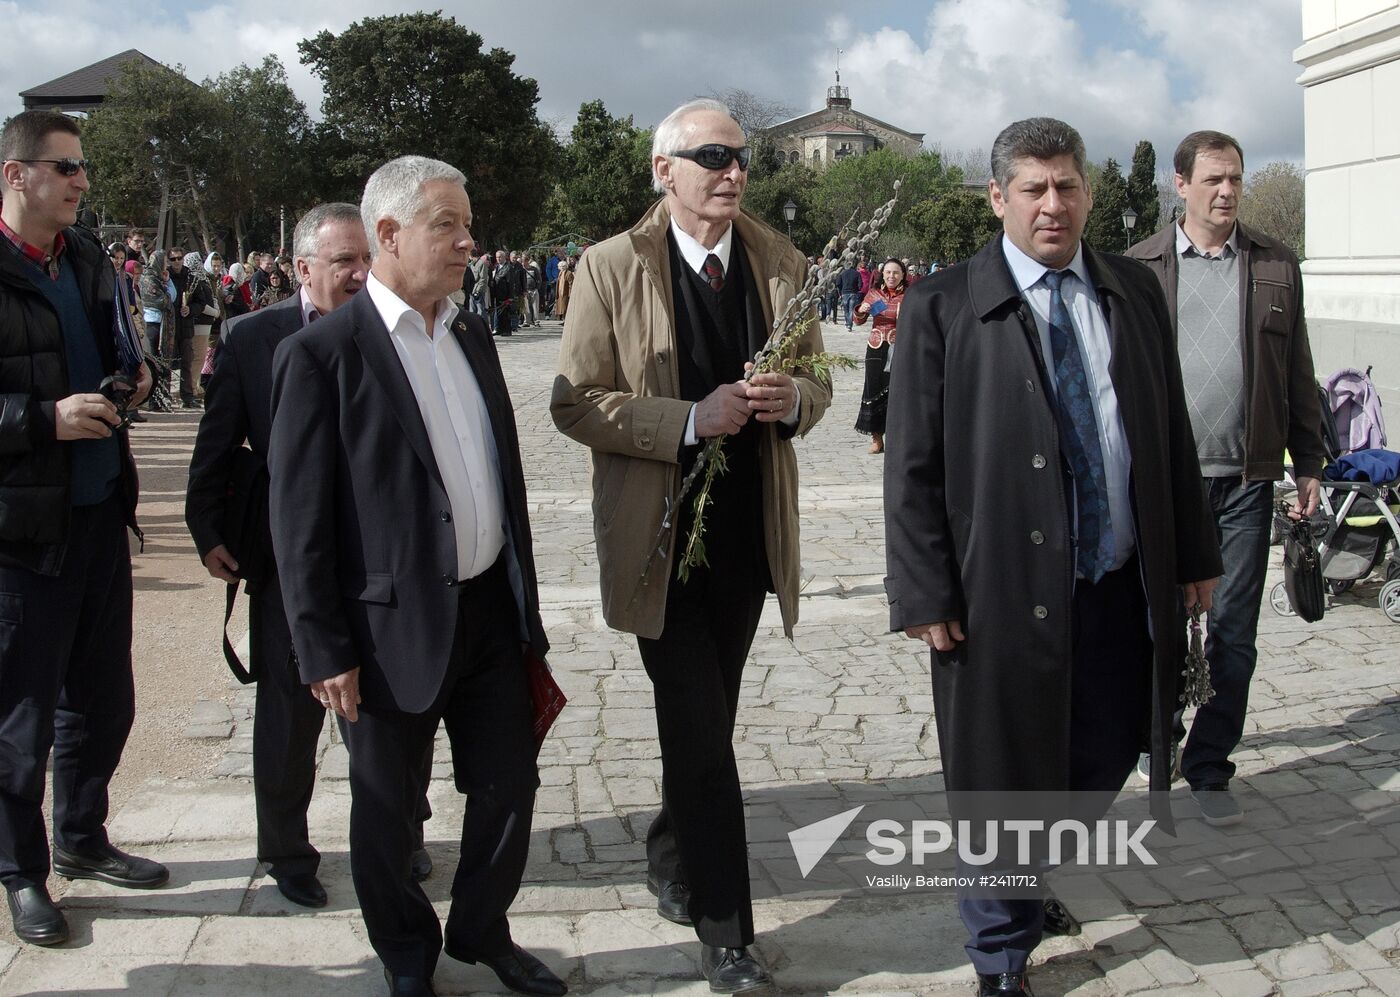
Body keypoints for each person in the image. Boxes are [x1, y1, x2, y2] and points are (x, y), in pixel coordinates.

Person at [883, 117, 1222, 997]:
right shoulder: (944, 305)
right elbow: (912, 465)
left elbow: (1168, 435)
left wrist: (1191, 548)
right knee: (1000, 768)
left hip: (1118, 581)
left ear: (1088, 194)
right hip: (998, 592)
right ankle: (999, 950)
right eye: (1032, 188)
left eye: (1067, 186)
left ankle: (1030, 869)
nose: (1052, 204)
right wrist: (924, 587)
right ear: (998, 199)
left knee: (1111, 744)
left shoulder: (1133, 294)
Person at [552, 98, 830, 995]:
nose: (733, 170)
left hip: (750, 537)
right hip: (659, 544)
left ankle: (673, 844)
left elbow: (821, 381)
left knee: (710, 716)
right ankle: (728, 934)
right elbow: (573, 401)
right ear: (663, 170)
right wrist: (686, 420)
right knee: (703, 733)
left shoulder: (781, 260)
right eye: (713, 155)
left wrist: (797, 401)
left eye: (741, 156)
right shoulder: (607, 267)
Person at [268, 157, 564, 997]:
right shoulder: (322, 354)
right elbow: (298, 522)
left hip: (488, 615)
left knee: (510, 785)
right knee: (387, 812)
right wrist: (322, 646)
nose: (469, 240)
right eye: (448, 224)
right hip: (385, 627)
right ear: (389, 233)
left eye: (468, 223)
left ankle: (481, 928)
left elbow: (498, 473)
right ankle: (406, 955)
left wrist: (524, 605)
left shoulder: (470, 332)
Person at [186, 202, 439, 913]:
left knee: (391, 711)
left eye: (366, 259)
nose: (361, 274)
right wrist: (206, 529)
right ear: (302, 269)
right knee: (290, 719)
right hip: (289, 559)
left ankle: (399, 830)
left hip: (384, 558)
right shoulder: (252, 338)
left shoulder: (399, 326)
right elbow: (218, 444)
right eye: (343, 263)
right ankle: (286, 849)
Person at [1126, 130, 1325, 825]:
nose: (1227, 190)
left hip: (1245, 479)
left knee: (1233, 630)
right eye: (1213, 178)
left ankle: (1210, 764)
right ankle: (1159, 742)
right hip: (1163, 482)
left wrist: (1311, 459)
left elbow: (1296, 368)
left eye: (1235, 178)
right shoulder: (1140, 266)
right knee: (1160, 624)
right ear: (1180, 184)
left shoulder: (1274, 264)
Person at [0, 109, 162, 949]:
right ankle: (23, 873)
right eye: (65, 167)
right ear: (15, 174)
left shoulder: (92, 259)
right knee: (21, 719)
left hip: (101, 510)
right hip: (23, 534)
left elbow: (124, 348)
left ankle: (83, 836)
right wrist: (41, 417)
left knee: (101, 699)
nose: (81, 181)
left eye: (82, 167)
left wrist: (135, 377)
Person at [852, 257, 906, 455]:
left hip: (897, 347)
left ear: (902, 276)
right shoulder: (874, 294)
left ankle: (895, 436)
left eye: (896, 273)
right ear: (882, 274)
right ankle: (876, 437)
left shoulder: (908, 295)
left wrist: (905, 316)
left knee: (896, 391)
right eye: (888, 272)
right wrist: (860, 310)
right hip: (875, 347)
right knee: (873, 389)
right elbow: (857, 321)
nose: (892, 276)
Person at [554, 257, 574, 321]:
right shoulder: (561, 273)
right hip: (560, 293)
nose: (558, 268)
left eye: (559, 267)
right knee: (561, 306)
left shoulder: (568, 273)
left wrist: (570, 293)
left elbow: (571, 284)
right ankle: (563, 319)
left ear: (563, 267)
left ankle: (565, 319)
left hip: (566, 293)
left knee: (565, 306)